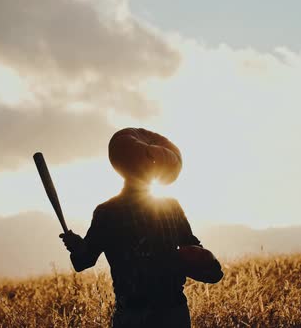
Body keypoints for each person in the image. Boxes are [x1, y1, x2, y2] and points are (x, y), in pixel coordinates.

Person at [60, 128, 223, 328]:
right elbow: (196, 254)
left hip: (134, 315)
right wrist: (206, 264)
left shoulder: (108, 213)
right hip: (171, 314)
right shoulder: (169, 208)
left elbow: (83, 260)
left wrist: (77, 245)